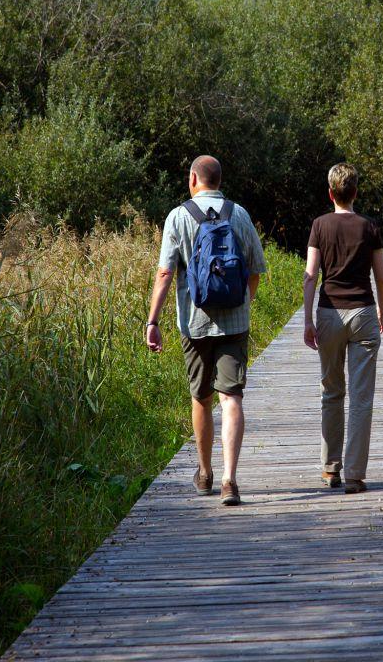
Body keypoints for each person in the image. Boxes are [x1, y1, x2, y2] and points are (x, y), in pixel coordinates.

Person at [146, 155, 267, 506]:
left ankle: (205, 472)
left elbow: (166, 274)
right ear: (219, 179)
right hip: (235, 322)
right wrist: (245, 301)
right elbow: (256, 269)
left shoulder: (178, 216)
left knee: (201, 397)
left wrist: (152, 321)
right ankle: (230, 479)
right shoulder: (239, 214)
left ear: (193, 179)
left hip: (194, 324)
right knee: (232, 398)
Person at [302, 163, 383, 494]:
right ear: (355, 192)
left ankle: (329, 469)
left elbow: (311, 275)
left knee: (331, 392)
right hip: (364, 313)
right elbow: (380, 275)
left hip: (329, 314)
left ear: (330, 193)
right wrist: (382, 307)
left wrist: (308, 319)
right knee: (361, 397)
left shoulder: (319, 225)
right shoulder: (369, 227)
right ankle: (354, 474)